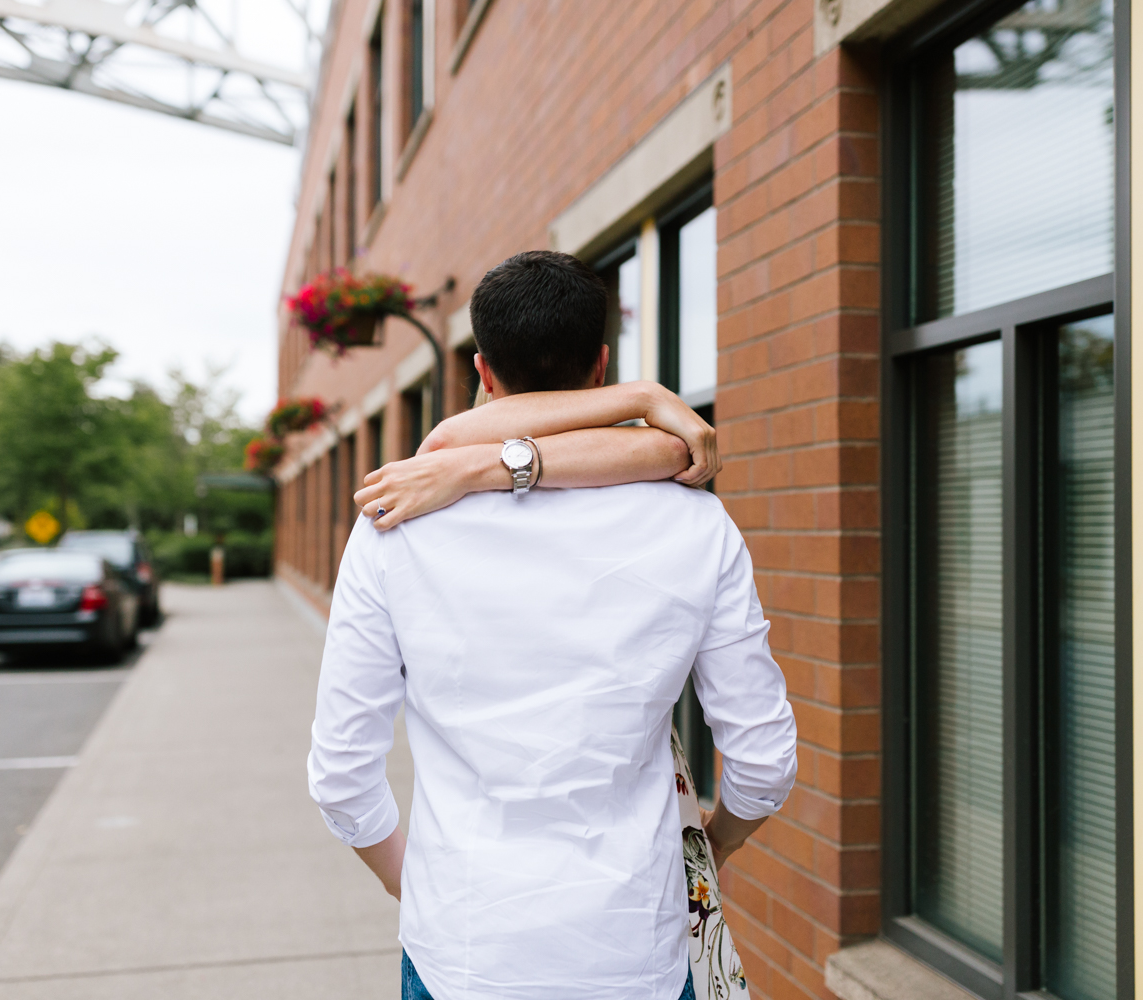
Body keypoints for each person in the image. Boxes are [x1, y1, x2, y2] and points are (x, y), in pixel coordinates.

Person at [307, 250, 799, 1000]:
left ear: (483, 371)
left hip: (463, 952)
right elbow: (762, 764)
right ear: (600, 366)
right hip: (636, 946)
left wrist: (420, 887)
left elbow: (343, 777)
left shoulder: (396, 523)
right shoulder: (697, 521)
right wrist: (714, 847)